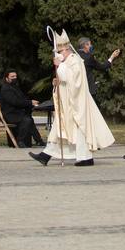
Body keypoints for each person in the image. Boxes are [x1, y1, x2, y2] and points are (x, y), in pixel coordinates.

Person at [32, 31, 114, 166]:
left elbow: (72, 80)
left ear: (66, 50)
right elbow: (64, 80)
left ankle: (85, 158)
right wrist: (56, 81)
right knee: (61, 128)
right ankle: (45, 155)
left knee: (77, 130)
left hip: (76, 103)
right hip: (68, 102)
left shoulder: (75, 60)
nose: (58, 54)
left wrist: (60, 65)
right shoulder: (68, 61)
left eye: (60, 51)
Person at [0, 69, 42, 147]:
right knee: (27, 120)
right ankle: (20, 140)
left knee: (29, 119)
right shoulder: (6, 89)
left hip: (16, 113)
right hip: (9, 114)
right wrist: (30, 102)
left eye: (15, 76)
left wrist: (31, 103)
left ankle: (39, 141)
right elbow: (15, 102)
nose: (14, 78)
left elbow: (22, 99)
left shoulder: (14, 87)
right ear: (6, 78)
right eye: (12, 76)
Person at [78, 37, 121, 103]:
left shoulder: (75, 56)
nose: (91, 46)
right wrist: (112, 57)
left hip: (78, 89)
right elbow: (102, 67)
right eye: (89, 44)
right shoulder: (89, 57)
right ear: (85, 46)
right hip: (88, 88)